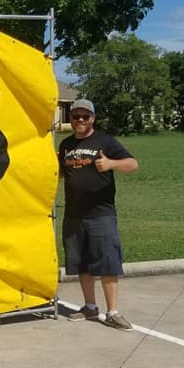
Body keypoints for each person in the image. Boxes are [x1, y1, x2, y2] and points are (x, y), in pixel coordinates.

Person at [58, 99, 139, 330]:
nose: (80, 120)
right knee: (81, 262)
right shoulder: (66, 145)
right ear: (71, 119)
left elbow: (133, 164)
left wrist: (111, 163)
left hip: (101, 214)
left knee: (107, 262)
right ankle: (90, 307)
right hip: (74, 214)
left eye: (85, 116)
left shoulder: (105, 141)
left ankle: (112, 311)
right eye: (76, 116)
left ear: (93, 118)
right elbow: (64, 172)